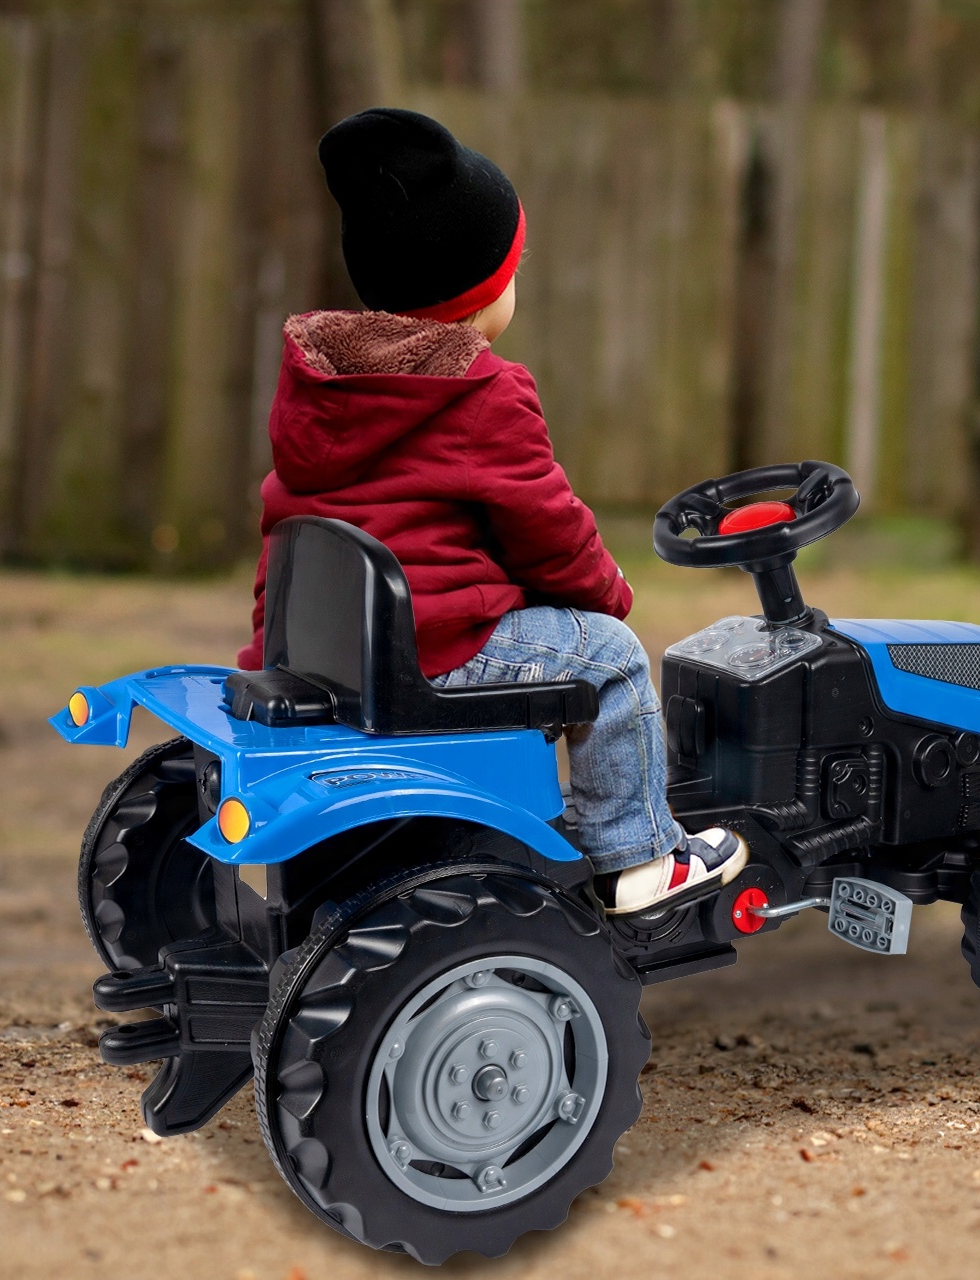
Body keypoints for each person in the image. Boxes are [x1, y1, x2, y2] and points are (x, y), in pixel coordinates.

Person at [238, 107, 747, 915]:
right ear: (479, 296)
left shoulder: (323, 381)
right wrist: (605, 592)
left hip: (330, 648)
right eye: (514, 269)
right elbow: (547, 526)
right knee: (610, 655)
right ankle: (638, 857)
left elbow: (299, 515)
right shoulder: (482, 391)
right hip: (430, 651)